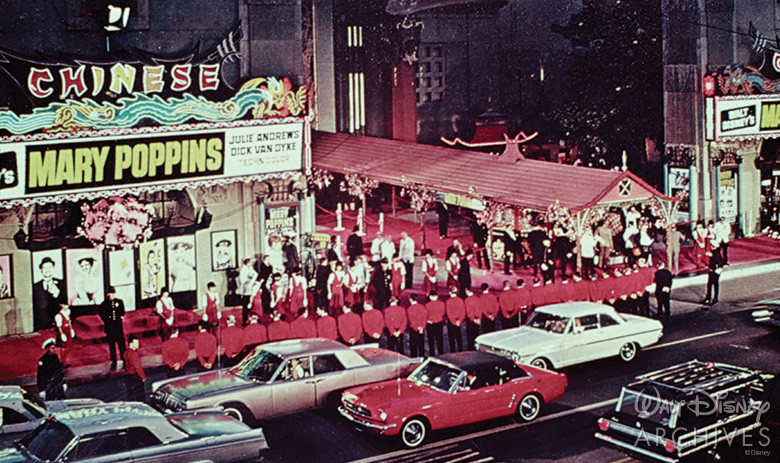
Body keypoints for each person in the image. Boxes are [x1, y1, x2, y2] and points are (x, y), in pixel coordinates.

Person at [33, 256, 65, 331]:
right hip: (41, 326)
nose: (47, 270)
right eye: (45, 268)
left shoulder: (62, 283)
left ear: (53, 268)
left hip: (58, 324)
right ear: (41, 270)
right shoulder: (35, 286)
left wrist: (57, 293)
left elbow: (65, 301)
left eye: (49, 267)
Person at [99, 286, 126, 367]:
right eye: (111, 293)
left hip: (118, 325)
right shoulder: (104, 304)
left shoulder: (119, 301)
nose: (112, 295)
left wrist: (120, 316)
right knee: (112, 343)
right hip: (110, 326)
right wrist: (107, 320)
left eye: (113, 293)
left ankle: (123, 357)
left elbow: (122, 311)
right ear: (108, 294)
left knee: (121, 342)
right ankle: (114, 359)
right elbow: (102, 314)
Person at [124, 335, 146, 402]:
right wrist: (143, 377)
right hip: (135, 376)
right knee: (140, 396)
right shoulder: (134, 354)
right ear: (131, 344)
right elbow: (138, 367)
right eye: (136, 343)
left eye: (138, 343)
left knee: (131, 395)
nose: (138, 345)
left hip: (128, 376)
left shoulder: (126, 352)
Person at [238, 258, 258, 323]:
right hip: (245, 289)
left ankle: (250, 318)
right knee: (245, 305)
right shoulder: (243, 269)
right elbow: (242, 280)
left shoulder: (250, 268)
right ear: (247, 263)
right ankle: (245, 319)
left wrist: (252, 279)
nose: (251, 263)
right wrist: (250, 278)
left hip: (250, 287)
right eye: (250, 262)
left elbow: (255, 274)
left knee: (250, 304)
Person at [445, 288, 465, 353]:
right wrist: (459, 321)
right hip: (458, 321)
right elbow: (462, 312)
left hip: (451, 322)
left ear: (450, 292)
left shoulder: (448, 301)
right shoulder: (460, 300)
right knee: (459, 337)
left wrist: (453, 321)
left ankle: (453, 351)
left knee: (451, 338)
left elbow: (449, 313)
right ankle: (460, 350)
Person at [426, 291, 445, 356]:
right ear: (437, 296)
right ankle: (441, 353)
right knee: (440, 339)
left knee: (431, 341)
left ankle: (432, 354)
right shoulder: (441, 304)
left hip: (431, 323)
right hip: (439, 322)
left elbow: (426, 314)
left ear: (430, 297)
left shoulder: (427, 305)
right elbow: (442, 313)